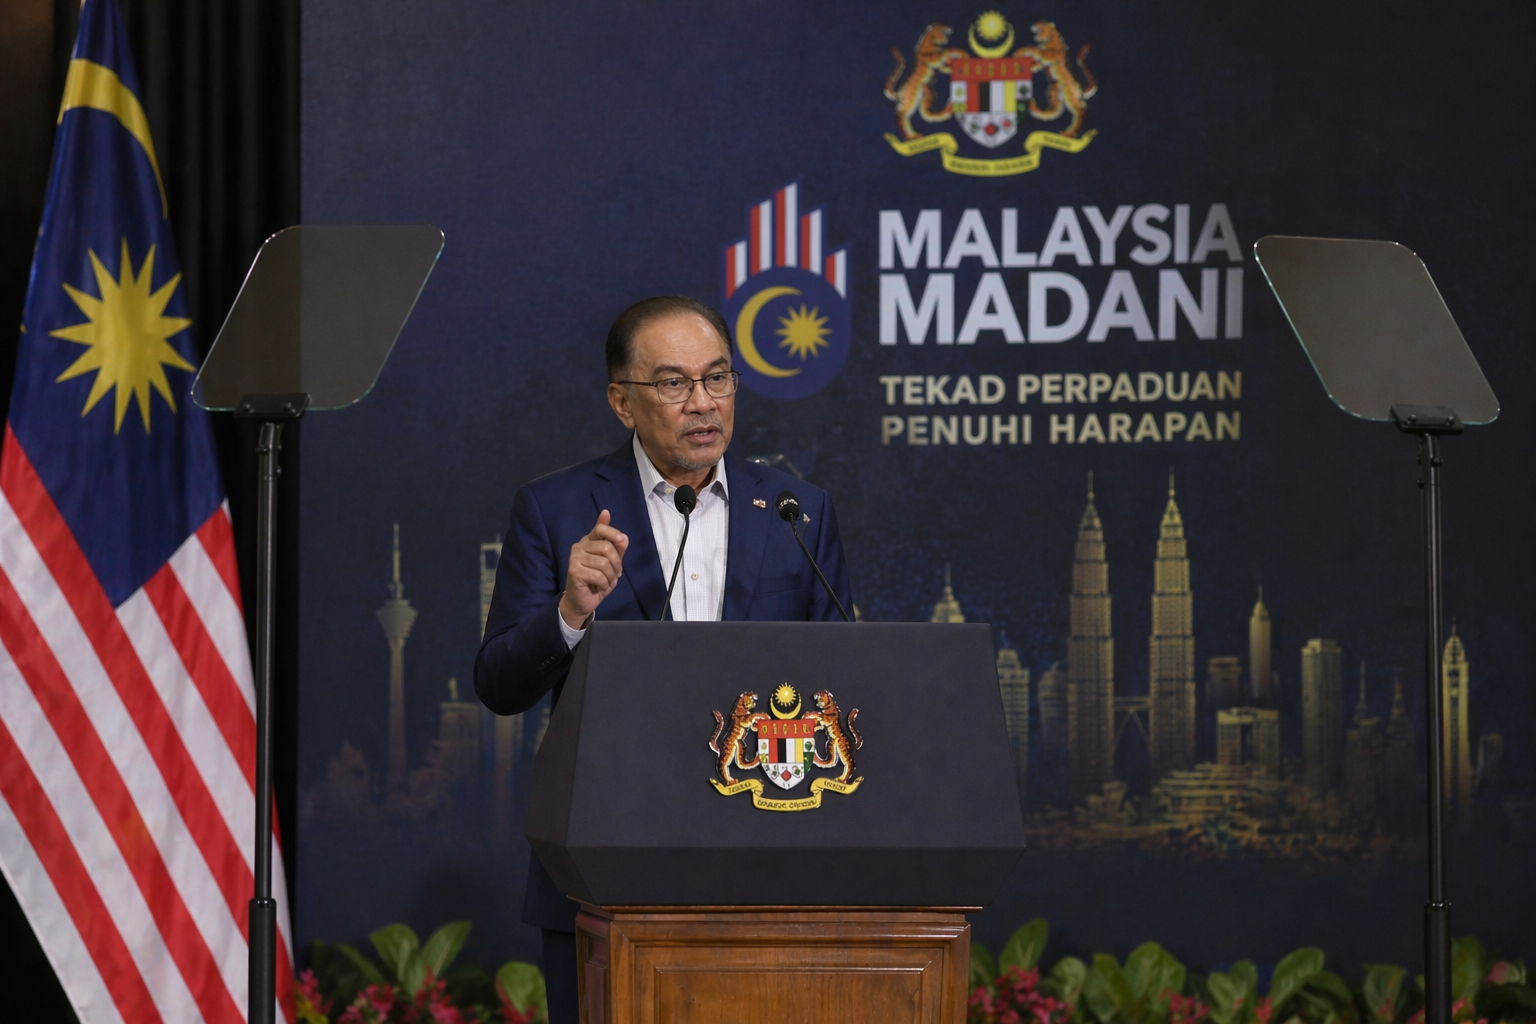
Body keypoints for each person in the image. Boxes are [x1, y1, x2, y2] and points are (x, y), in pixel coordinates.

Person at [474, 294, 853, 1024]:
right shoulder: (555, 510)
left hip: (768, 872)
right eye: (674, 383)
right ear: (623, 402)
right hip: (603, 869)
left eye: (718, 378)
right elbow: (498, 683)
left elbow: (837, 683)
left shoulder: (797, 511)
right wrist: (569, 613)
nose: (703, 403)